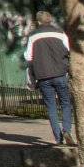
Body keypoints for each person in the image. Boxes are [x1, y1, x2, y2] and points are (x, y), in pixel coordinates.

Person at [24, 10, 73, 145]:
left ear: (38, 22)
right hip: (60, 73)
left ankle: (58, 138)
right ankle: (67, 130)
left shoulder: (33, 36)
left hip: (43, 75)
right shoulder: (60, 33)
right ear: (50, 20)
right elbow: (69, 50)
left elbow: (28, 56)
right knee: (65, 103)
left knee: (51, 106)